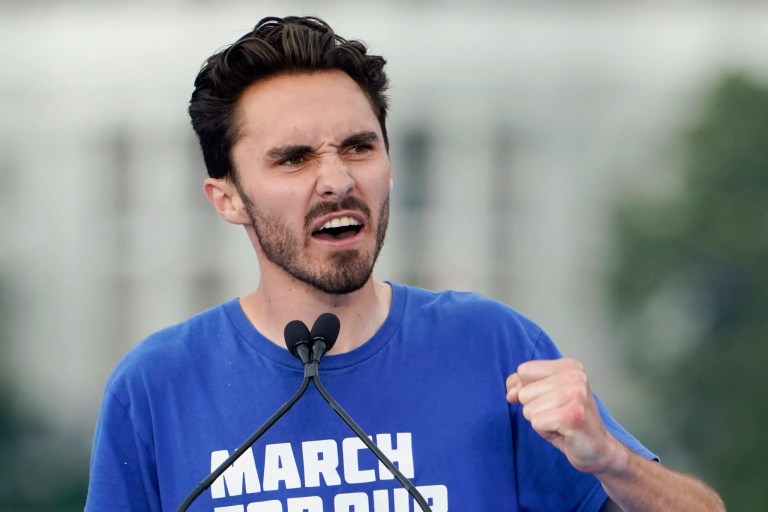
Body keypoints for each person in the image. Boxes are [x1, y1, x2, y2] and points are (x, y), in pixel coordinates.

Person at [85, 16, 725, 512]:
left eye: (359, 147)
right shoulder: (155, 387)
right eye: (295, 159)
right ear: (227, 198)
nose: (337, 180)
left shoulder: (493, 349)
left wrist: (610, 460)